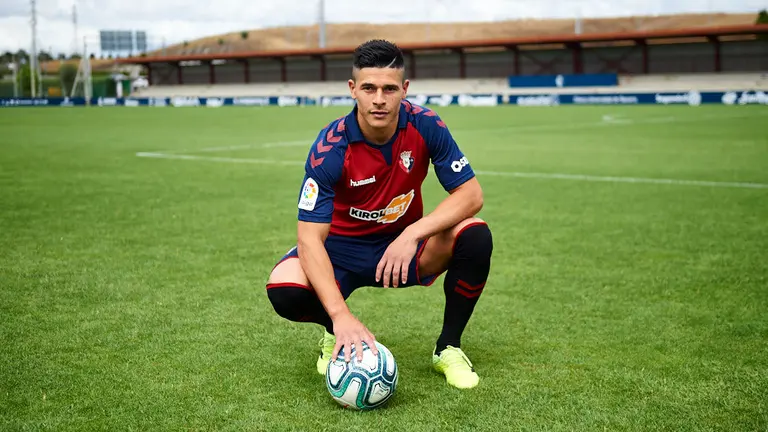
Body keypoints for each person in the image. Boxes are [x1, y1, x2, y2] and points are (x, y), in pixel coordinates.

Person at [265, 39, 493, 389]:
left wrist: (412, 233)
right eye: (369, 88)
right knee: (284, 287)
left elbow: (471, 194)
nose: (379, 99)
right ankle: (334, 333)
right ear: (353, 89)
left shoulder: (426, 125)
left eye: (389, 89)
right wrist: (341, 316)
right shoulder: (331, 147)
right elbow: (309, 239)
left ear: (404, 89)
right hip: (341, 252)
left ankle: (448, 347)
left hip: (403, 250)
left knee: (475, 234)